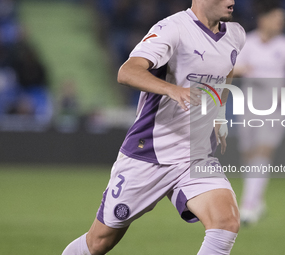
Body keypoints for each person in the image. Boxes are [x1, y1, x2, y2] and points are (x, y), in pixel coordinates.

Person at [62, 0, 246, 254]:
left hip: (195, 155)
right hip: (150, 153)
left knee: (226, 222)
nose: (232, 1)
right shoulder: (173, 28)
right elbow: (127, 72)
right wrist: (173, 90)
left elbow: (225, 70)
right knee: (99, 242)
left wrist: (219, 114)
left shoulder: (235, 34)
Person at [234, 0, 285, 225]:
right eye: (277, 18)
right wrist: (241, 69)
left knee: (263, 151)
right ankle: (256, 198)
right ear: (263, 19)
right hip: (248, 104)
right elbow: (232, 68)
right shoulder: (248, 42)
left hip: (274, 106)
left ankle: (247, 206)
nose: (280, 22)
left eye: (282, 19)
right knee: (248, 153)